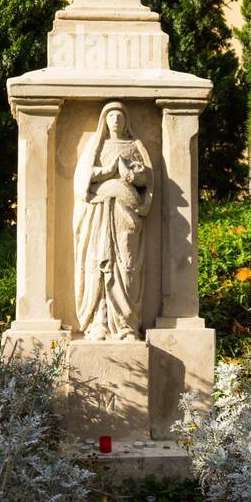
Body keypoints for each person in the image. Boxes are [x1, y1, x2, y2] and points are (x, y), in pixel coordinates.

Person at [73, 102, 153, 340]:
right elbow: (83, 179)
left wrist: (132, 174)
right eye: (111, 117)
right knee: (99, 264)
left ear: (126, 121)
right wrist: (108, 170)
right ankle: (100, 323)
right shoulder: (96, 146)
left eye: (119, 116)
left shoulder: (134, 146)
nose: (115, 120)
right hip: (99, 212)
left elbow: (146, 180)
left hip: (126, 215)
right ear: (104, 122)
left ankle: (127, 325)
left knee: (127, 267)